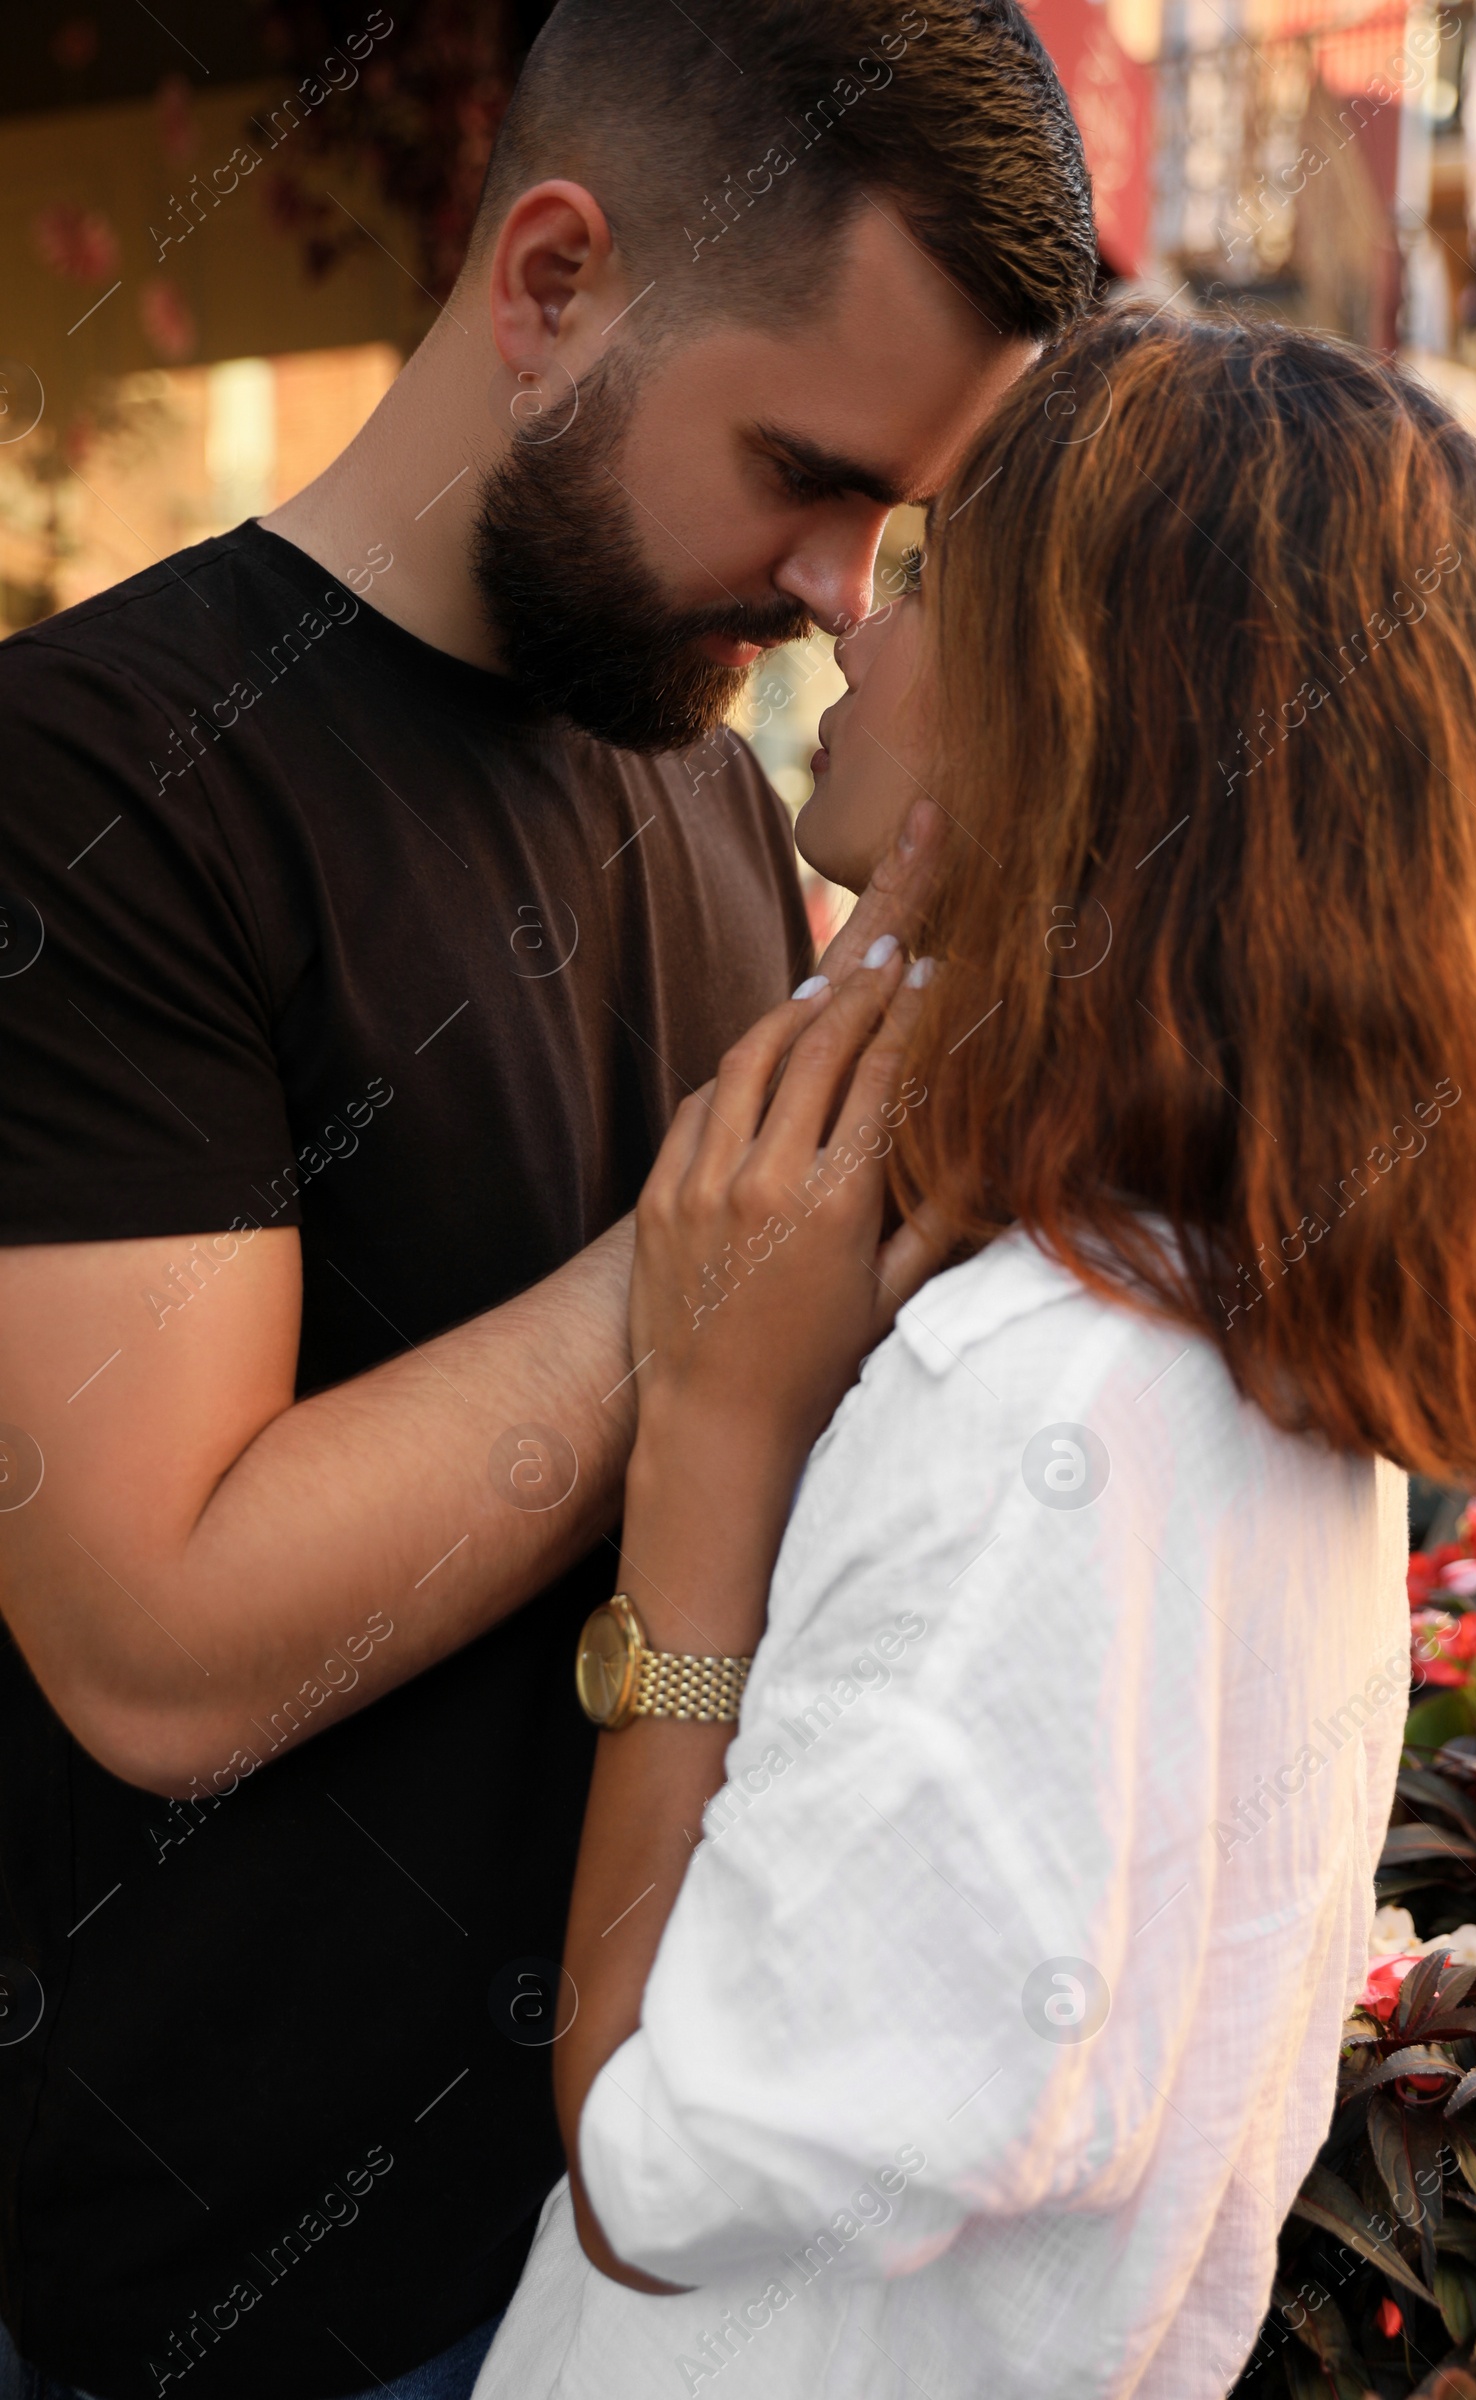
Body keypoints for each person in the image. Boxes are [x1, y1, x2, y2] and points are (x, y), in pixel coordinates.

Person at [0, 7, 1095, 2395]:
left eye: (888, 524)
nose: (833, 594)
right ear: (553, 278)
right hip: (245, 2308)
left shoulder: (690, 766)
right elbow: (153, 1645)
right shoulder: (99, 781)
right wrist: (705, 1284)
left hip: (652, 2265)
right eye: (798, 473)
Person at [474, 305, 1476, 2400]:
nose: (842, 631)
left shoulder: (1035, 1409)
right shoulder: (1222, 1330)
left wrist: (709, 1448)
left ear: (1072, 719)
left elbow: (650, 2181)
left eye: (920, 577)